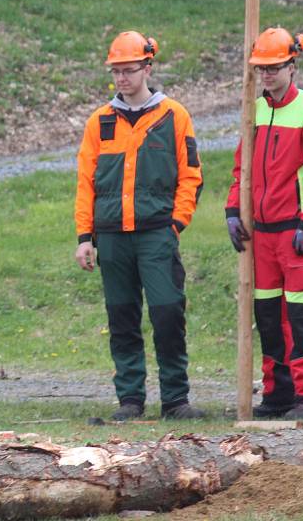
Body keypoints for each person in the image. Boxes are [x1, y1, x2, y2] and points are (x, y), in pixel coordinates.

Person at [74, 30, 205, 421]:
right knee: (122, 318)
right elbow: (85, 182)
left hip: (156, 236)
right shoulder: (100, 122)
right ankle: (130, 400)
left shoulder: (174, 116)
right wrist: (85, 237)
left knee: (167, 315)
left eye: (128, 70)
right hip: (112, 239)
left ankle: (175, 400)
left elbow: (191, 176)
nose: (121, 78)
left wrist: (175, 224)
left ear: (147, 67)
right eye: (116, 71)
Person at [225, 27, 303, 420]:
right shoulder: (252, 112)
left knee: (302, 315)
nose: (267, 75)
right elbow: (242, 170)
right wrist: (233, 210)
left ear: (292, 64)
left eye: (273, 68)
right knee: (269, 317)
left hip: (296, 232)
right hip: (261, 236)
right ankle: (279, 393)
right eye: (262, 69)